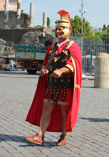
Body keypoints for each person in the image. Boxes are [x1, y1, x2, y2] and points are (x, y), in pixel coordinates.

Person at [25, 10, 82, 146]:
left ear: (67, 30)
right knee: (46, 109)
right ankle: (40, 136)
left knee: (64, 112)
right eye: (56, 29)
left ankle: (63, 136)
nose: (57, 32)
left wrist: (61, 71)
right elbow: (48, 63)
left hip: (65, 86)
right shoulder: (53, 47)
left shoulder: (73, 47)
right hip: (52, 85)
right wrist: (44, 69)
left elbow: (74, 65)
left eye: (60, 29)